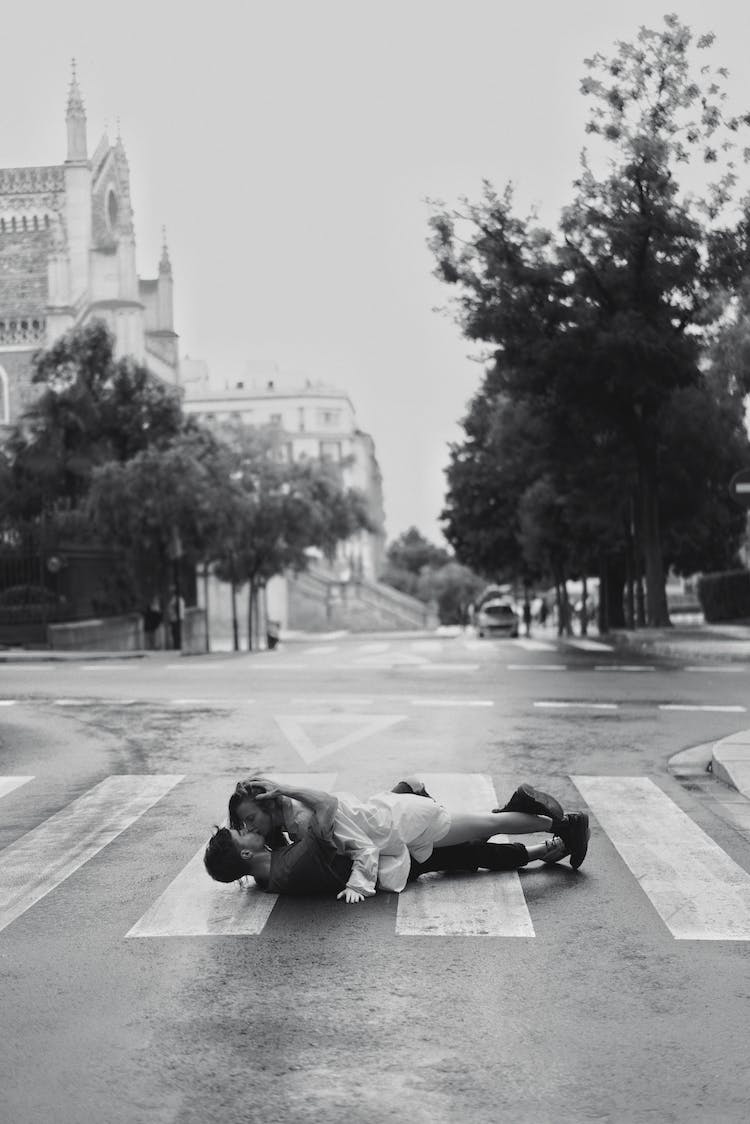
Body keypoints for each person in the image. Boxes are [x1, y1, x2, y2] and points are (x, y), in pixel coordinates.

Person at [204, 779, 590, 901]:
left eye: (248, 821)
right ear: (242, 851)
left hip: (396, 833)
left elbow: (343, 824)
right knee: (476, 838)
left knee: (476, 835)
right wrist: (283, 789)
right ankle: (552, 825)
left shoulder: (273, 864)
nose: (250, 829)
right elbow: (332, 809)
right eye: (244, 828)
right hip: (395, 840)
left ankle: (551, 822)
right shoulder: (290, 856)